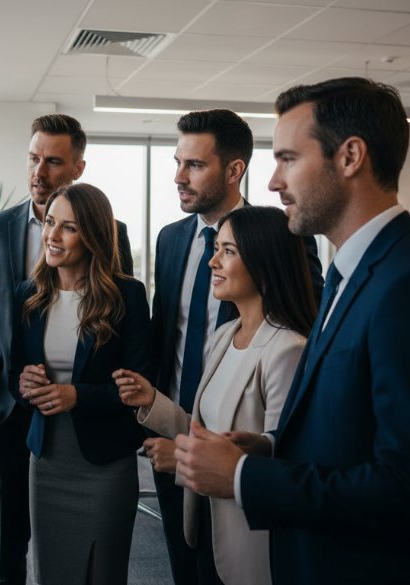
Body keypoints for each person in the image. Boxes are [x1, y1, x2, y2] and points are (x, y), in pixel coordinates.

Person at [173, 78, 410, 584]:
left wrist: (243, 477)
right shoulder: (350, 273)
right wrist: (270, 447)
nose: (274, 182)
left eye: (288, 160)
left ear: (349, 157)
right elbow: (353, 433)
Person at [148, 109, 323, 585]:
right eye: (177, 162)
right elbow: (166, 331)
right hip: (180, 431)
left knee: (239, 563)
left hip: (243, 445)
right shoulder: (170, 240)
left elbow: (302, 316)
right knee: (189, 561)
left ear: (233, 170)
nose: (178, 177)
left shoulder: (279, 238)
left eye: (195, 165)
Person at [0, 113, 133, 585]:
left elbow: (115, 318)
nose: (39, 172)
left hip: (79, 419)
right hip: (8, 407)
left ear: (78, 167)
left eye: (54, 162)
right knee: (7, 539)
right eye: (33, 158)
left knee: (73, 548)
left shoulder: (112, 230)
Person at [116, 205, 316, 584]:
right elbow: (205, 428)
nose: (212, 262)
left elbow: (283, 464)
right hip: (207, 523)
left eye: (228, 251)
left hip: (250, 538)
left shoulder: (288, 350)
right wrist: (153, 402)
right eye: (216, 249)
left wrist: (187, 459)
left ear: (265, 262)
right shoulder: (226, 336)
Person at [9, 183, 148, 585]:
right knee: (52, 572)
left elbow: (140, 385)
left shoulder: (127, 296)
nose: (52, 235)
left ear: (92, 235)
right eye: (50, 222)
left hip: (105, 461)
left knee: (103, 573)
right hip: (48, 457)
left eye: (68, 227)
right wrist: (25, 382)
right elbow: (14, 374)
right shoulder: (29, 295)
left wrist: (77, 395)